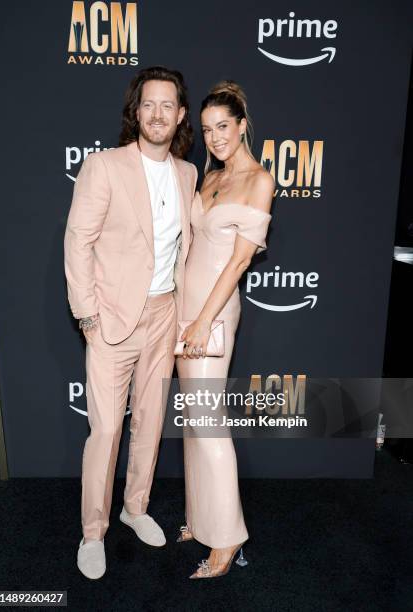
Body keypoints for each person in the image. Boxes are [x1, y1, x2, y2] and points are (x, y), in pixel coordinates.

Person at [64, 66, 197, 580]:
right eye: (149, 104)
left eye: (168, 105)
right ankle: (93, 530)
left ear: (180, 115)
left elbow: (187, 249)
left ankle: (134, 508)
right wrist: (87, 315)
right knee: (105, 432)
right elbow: (78, 240)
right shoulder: (104, 167)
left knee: (150, 425)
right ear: (135, 111)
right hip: (113, 318)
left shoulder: (187, 174)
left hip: (165, 314)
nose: (158, 113)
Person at [176, 81, 274, 579]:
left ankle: (228, 539)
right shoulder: (208, 178)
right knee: (193, 421)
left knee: (209, 423)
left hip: (211, 313)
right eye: (207, 129)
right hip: (184, 308)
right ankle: (200, 517)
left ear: (241, 126)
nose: (214, 137)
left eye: (223, 127)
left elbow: (237, 263)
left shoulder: (258, 180)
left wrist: (201, 320)